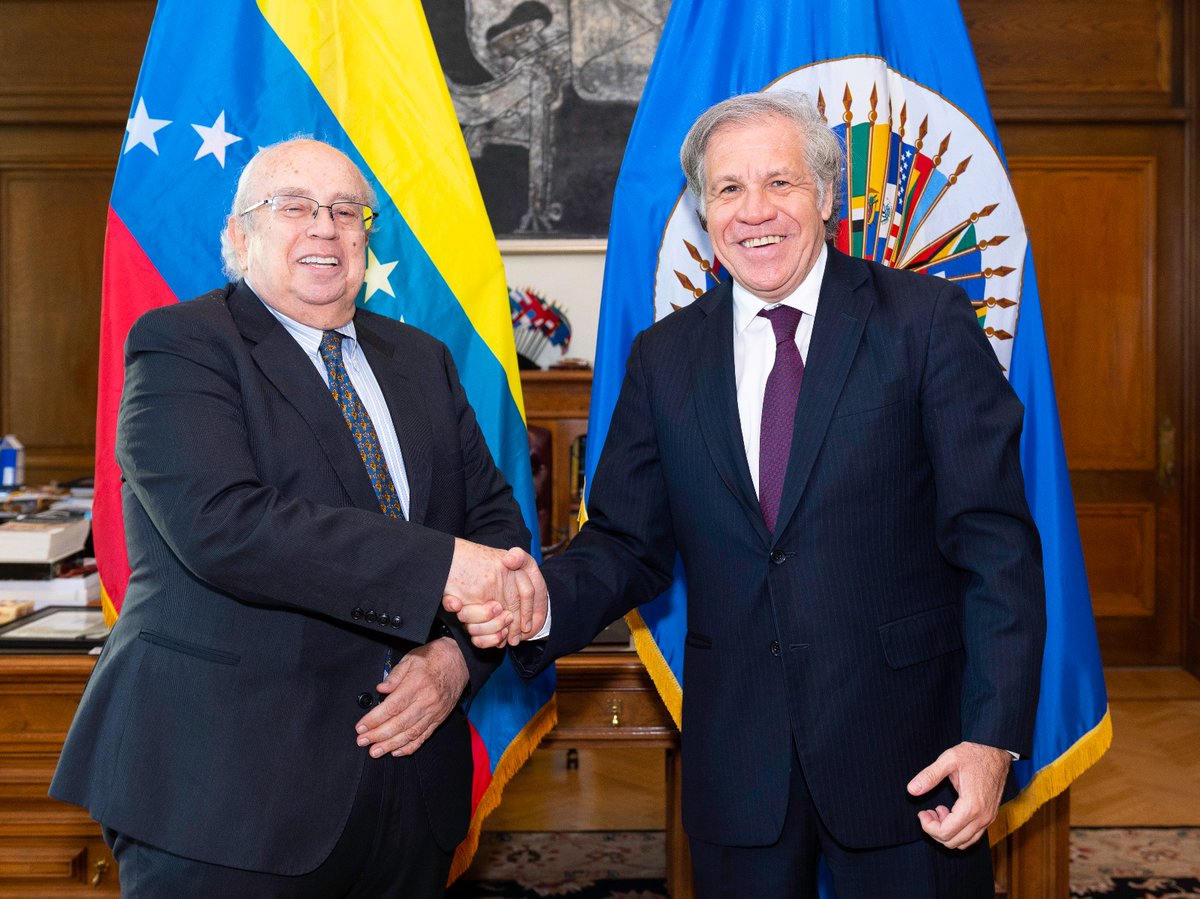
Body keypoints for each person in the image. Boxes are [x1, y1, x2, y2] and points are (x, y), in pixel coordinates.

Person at [445, 91, 1047, 897]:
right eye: (728, 189)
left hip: (908, 750)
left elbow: (995, 542)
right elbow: (625, 540)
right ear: (703, 209)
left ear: (826, 197)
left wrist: (991, 737)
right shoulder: (664, 357)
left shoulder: (924, 322)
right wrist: (536, 604)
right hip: (740, 765)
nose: (754, 212)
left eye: (781, 184)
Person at [50, 138, 545, 897]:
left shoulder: (422, 360)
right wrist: (445, 567)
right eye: (294, 207)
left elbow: (496, 529)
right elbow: (225, 524)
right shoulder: (183, 345)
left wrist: (452, 663)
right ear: (238, 237)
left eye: (347, 211)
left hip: (406, 797)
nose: (326, 227)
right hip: (227, 797)